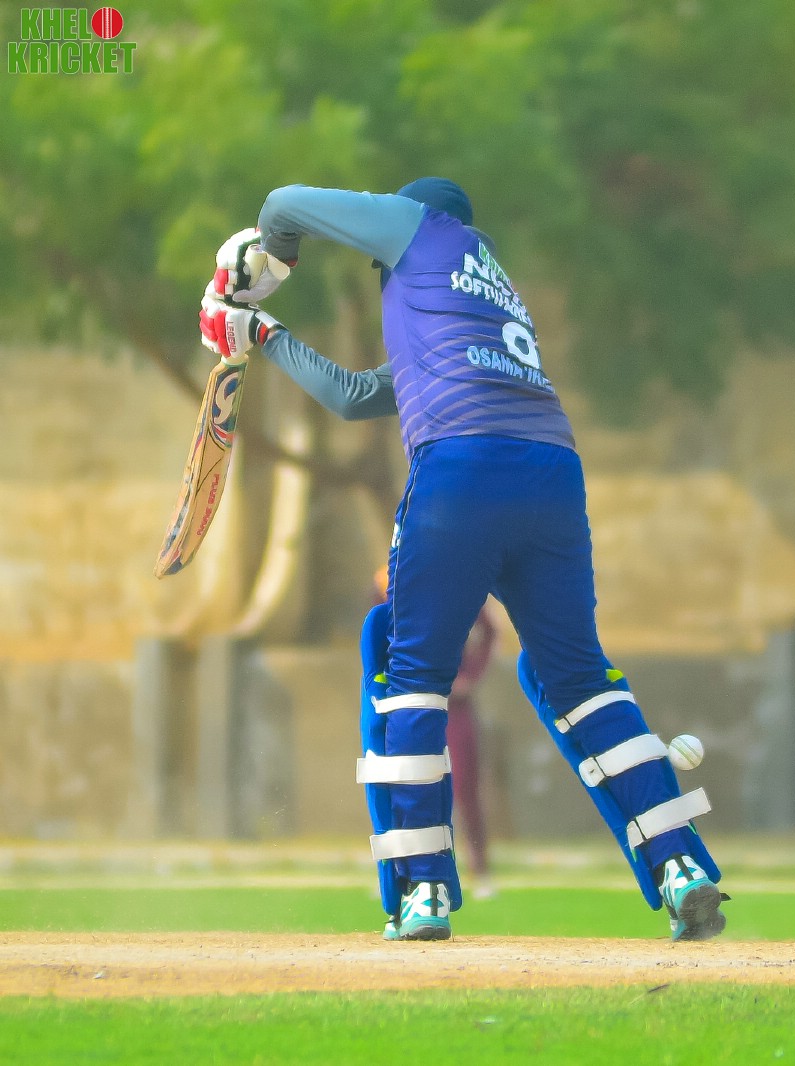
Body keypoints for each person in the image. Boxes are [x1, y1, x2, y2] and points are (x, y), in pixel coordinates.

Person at [198, 178, 726, 942]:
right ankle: (680, 867)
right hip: (552, 477)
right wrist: (260, 333)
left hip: (462, 473)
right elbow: (354, 396)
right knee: (579, 679)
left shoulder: (418, 226)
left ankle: (422, 893)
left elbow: (281, 204)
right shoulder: (486, 302)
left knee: (408, 672)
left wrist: (260, 268)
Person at [373, 568, 497, 899]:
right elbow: (377, 630)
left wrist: (470, 676)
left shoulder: (454, 573)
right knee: (401, 781)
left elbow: (488, 630)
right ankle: (400, 869)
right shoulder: (389, 576)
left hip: (450, 700)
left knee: (464, 782)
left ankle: (478, 864)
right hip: (407, 697)